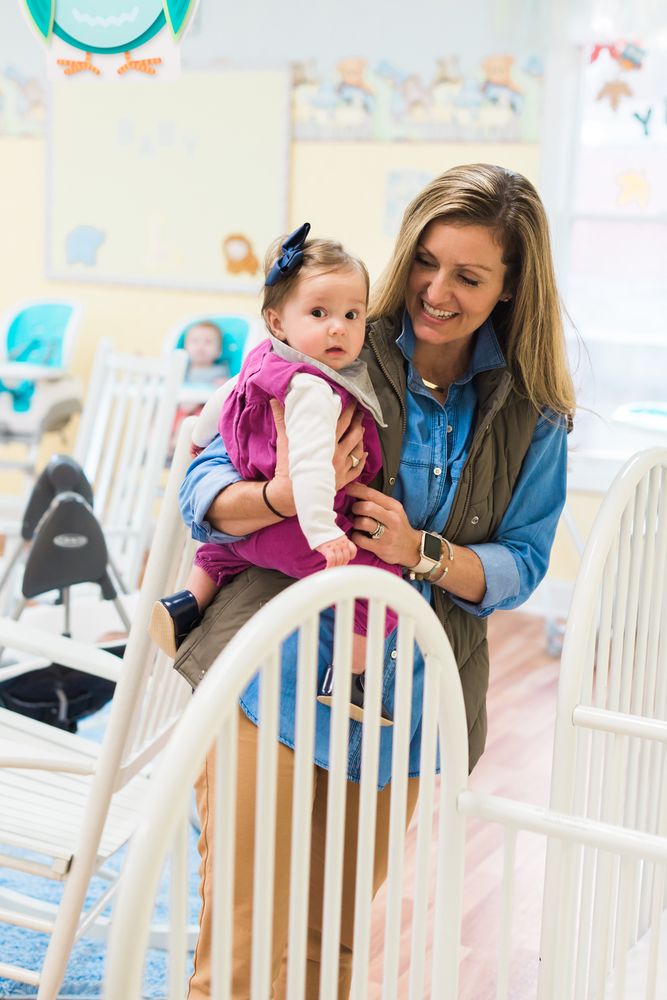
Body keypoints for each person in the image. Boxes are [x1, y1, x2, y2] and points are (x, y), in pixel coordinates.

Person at [175, 163, 575, 999]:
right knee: (241, 950)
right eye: (425, 261)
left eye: (468, 277)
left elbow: (522, 565)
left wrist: (417, 550)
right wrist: (281, 496)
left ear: (508, 288)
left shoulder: (531, 413)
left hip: (402, 710)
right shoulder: (336, 343)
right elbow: (204, 490)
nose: (435, 290)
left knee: (329, 958)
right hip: (272, 676)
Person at [151, 225, 398, 723]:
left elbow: (222, 398)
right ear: (277, 320)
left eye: (353, 315)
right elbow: (308, 469)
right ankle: (348, 680)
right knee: (381, 585)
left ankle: (186, 604)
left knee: (221, 551)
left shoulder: (264, 358)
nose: (338, 328)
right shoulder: (313, 390)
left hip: (245, 533)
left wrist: (199, 436)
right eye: (319, 313)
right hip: (298, 533)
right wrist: (324, 532)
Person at [169, 320, 230, 454]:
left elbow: (224, 393)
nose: (200, 346)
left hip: (199, 411)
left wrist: (223, 383)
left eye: (208, 342)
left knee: (190, 421)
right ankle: (160, 447)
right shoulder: (181, 370)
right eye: (194, 341)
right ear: (185, 347)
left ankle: (176, 448)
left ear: (219, 351)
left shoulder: (220, 372)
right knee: (162, 417)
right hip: (179, 408)